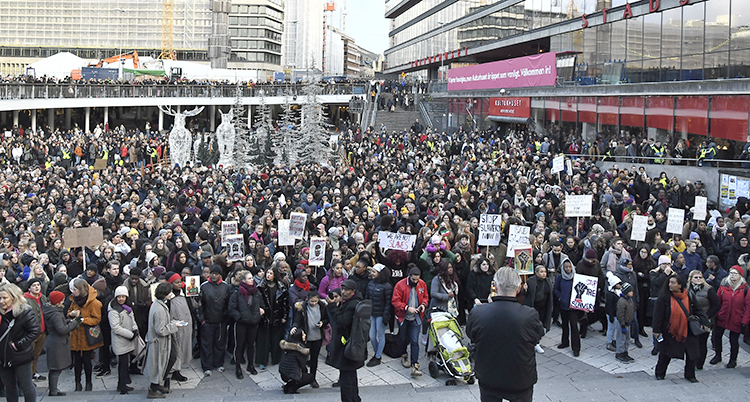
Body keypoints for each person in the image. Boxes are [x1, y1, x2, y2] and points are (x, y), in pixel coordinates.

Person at [467, 267, 544, 402]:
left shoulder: (479, 313)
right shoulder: (529, 315)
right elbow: (537, 336)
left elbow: (472, 335)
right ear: (519, 288)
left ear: (495, 286)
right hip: (521, 377)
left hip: (489, 377)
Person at [652, 275, 709, 382]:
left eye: (673, 283)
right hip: (670, 331)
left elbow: (698, 310)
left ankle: (690, 375)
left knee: (692, 354)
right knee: (665, 354)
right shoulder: (664, 297)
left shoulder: (689, 296)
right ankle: (660, 373)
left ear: (680, 285)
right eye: (669, 282)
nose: (670, 285)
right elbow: (658, 315)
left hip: (688, 330)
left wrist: (705, 322)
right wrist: (657, 330)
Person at [0, 283, 41, 402]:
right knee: (10, 387)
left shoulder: (24, 311)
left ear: (13, 297)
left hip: (21, 355)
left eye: (4, 298)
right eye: (0, 298)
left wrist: (18, 345)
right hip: (3, 356)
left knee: (26, 386)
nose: (2, 301)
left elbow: (35, 331)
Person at [326, 279, 365, 402]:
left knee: (347, 380)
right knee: (350, 376)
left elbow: (342, 323)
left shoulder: (352, 305)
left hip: (347, 346)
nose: (343, 292)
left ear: (353, 291)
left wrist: (332, 306)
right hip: (349, 345)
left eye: (347, 290)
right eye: (342, 289)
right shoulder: (350, 302)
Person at [145, 282, 184, 399]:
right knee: (162, 363)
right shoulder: (159, 309)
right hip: (159, 343)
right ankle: (153, 388)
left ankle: (157, 384)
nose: (171, 294)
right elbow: (160, 330)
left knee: (168, 360)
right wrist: (175, 325)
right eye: (169, 292)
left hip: (161, 342)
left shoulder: (158, 304)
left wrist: (172, 323)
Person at [709, 265, 750, 368]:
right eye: (731, 273)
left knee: (734, 341)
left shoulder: (745, 289)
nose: (732, 275)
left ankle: (733, 360)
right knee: (717, 337)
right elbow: (718, 302)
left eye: (735, 273)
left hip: (736, 318)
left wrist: (744, 322)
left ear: (740, 275)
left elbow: (748, 307)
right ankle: (718, 355)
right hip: (722, 316)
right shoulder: (723, 286)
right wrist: (716, 314)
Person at [43, 290, 82, 396]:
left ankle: (53, 389)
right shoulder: (56, 314)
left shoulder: (51, 311)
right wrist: (74, 323)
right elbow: (61, 329)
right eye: (62, 300)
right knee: (56, 369)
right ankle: (53, 391)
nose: (63, 302)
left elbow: (59, 324)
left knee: (55, 368)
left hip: (54, 342)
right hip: (57, 343)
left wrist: (68, 320)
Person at [391, 266, 428, 377]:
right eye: (413, 280)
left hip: (416, 316)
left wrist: (423, 305)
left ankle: (414, 365)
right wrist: (407, 308)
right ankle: (404, 354)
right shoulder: (400, 285)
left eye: (417, 280)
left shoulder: (422, 284)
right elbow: (395, 301)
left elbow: (426, 296)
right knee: (403, 338)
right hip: (403, 316)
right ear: (409, 276)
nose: (416, 282)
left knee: (414, 340)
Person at [68, 278, 103, 392]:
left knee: (87, 361)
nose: (73, 291)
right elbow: (69, 313)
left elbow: (96, 319)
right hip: (75, 336)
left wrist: (83, 319)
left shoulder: (94, 303)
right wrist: (72, 314)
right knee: (76, 361)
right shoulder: (74, 301)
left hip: (87, 336)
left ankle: (89, 382)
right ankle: (77, 383)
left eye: (75, 289)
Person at [228, 270, 265, 379]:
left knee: (251, 345)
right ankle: (238, 367)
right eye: (249, 278)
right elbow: (231, 308)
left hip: (253, 322)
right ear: (243, 280)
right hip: (241, 323)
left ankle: (250, 365)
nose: (252, 280)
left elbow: (262, 305)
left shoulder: (256, 292)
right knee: (239, 346)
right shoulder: (237, 292)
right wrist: (239, 317)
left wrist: (260, 312)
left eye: (252, 278)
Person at [198, 265, 231, 376]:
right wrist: (202, 320)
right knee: (206, 344)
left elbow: (228, 304)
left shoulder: (225, 287)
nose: (213, 275)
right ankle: (207, 366)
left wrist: (226, 319)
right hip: (207, 320)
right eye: (212, 273)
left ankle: (219, 363)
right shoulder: (204, 286)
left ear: (220, 275)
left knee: (220, 343)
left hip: (221, 321)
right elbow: (199, 304)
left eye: (216, 274)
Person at [291, 291, 328, 388]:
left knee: (314, 359)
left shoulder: (322, 306)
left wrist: (322, 323)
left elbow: (326, 319)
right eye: (312, 301)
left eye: (316, 301)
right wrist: (294, 327)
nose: (314, 303)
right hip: (306, 338)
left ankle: (312, 378)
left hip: (317, 337)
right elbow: (297, 320)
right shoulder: (302, 307)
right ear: (308, 299)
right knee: (302, 359)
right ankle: (302, 377)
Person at [108, 285, 138, 394]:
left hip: (128, 339)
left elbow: (132, 319)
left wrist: (135, 329)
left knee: (126, 364)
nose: (121, 299)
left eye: (123, 297)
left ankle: (123, 383)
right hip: (121, 340)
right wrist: (130, 334)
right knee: (123, 364)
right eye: (119, 297)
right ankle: (122, 386)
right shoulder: (113, 310)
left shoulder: (127, 307)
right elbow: (115, 327)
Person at [687, 270, 720, 370]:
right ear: (691, 279)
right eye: (696, 277)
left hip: (706, 319)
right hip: (692, 320)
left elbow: (716, 305)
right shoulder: (687, 289)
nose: (698, 279)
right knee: (693, 342)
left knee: (702, 342)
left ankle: (699, 363)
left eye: (700, 277)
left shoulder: (708, 289)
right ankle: (692, 361)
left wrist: (705, 317)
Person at [166, 273, 191, 382]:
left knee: (183, 347)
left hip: (186, 325)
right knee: (175, 349)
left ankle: (178, 369)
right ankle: (174, 370)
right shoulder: (168, 297)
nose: (179, 284)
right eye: (176, 282)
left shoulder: (185, 293)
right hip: (174, 326)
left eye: (180, 281)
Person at [365, 265, 392, 367]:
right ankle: (377, 353)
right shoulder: (370, 283)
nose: (372, 273)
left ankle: (377, 356)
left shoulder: (387, 286)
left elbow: (388, 303)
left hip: (381, 314)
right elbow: (367, 298)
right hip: (372, 313)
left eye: (374, 272)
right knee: (372, 336)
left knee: (380, 336)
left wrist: (386, 316)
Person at [522, 265, 553, 353]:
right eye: (541, 272)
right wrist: (524, 289)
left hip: (544, 308)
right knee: (532, 325)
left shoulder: (547, 281)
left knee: (541, 325)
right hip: (533, 307)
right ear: (536, 273)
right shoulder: (530, 281)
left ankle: (537, 342)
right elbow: (523, 294)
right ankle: (533, 342)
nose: (544, 274)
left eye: (545, 272)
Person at [553, 258, 580, 356]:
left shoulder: (576, 277)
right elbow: (556, 289)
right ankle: (565, 342)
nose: (568, 269)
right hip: (563, 305)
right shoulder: (560, 277)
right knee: (565, 325)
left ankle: (576, 348)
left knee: (574, 326)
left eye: (569, 267)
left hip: (573, 307)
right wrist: (560, 297)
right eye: (566, 267)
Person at [22, 278, 48, 381]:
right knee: (29, 355)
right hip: (30, 332)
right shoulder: (25, 300)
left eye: (38, 285)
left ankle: (33, 372)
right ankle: (27, 376)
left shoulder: (43, 298)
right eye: (34, 285)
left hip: (42, 332)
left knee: (37, 354)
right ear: (29, 288)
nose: (37, 287)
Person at [278, 329, 313, 394]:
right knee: (310, 377)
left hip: (283, 373)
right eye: (303, 335)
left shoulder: (287, 346)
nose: (305, 335)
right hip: (292, 374)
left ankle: (288, 385)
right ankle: (291, 388)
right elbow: (302, 365)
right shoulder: (299, 350)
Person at [615, 282, 636, 363]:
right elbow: (620, 314)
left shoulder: (630, 300)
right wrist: (622, 325)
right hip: (622, 324)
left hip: (628, 323)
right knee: (621, 339)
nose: (632, 293)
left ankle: (625, 352)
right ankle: (619, 353)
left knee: (627, 339)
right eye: (630, 291)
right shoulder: (621, 301)